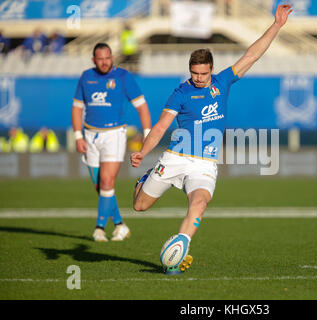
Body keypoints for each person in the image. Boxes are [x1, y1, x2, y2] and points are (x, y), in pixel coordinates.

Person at [130, 4, 292, 275]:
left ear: (211, 70)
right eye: (195, 74)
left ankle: (177, 256)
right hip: (175, 158)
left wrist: (276, 25)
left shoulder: (222, 82)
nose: (199, 78)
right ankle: (146, 179)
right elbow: (160, 127)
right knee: (139, 206)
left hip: (204, 164)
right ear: (190, 70)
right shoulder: (181, 93)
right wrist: (143, 150)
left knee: (200, 203)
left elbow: (251, 55)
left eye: (204, 74)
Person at [72, 43, 152, 242]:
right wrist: (78, 136)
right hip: (90, 136)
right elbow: (76, 108)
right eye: (100, 59)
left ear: (112, 57)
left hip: (114, 135)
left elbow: (142, 107)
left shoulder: (123, 77)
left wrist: (148, 134)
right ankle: (119, 225)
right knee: (101, 187)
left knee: (107, 182)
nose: (105, 62)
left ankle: (99, 228)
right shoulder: (86, 77)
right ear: (93, 60)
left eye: (108, 58)